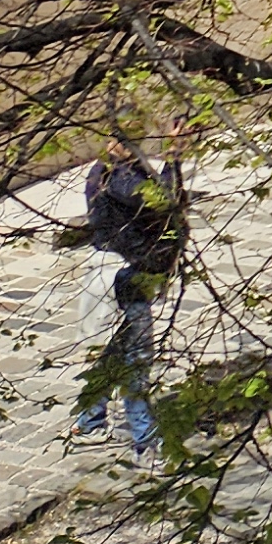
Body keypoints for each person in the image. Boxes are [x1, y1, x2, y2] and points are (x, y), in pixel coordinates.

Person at [73, 133, 186, 454]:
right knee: (137, 358)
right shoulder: (119, 180)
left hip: (118, 276)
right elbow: (164, 201)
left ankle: (89, 420)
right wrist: (175, 156)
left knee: (113, 353)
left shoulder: (116, 174)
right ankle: (144, 436)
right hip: (123, 280)